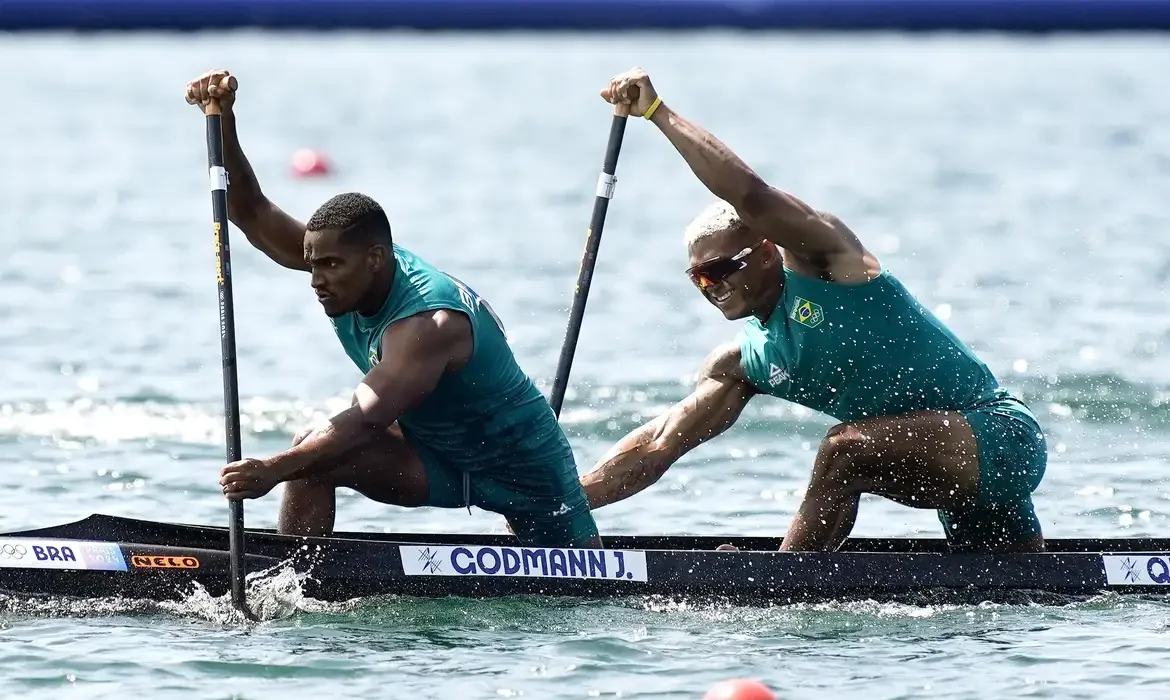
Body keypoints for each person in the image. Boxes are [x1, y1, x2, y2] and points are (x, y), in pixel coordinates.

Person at [578, 67, 1047, 553]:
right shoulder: (742, 363)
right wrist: (560, 503)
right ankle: (796, 577)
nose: (710, 286)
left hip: (999, 436)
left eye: (719, 269)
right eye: (697, 276)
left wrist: (656, 113)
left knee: (842, 450)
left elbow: (751, 195)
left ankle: (784, 587)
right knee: (1024, 590)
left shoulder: (828, 263)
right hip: (940, 464)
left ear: (766, 250)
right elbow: (657, 447)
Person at [184, 69, 601, 548]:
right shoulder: (349, 270)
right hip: (437, 458)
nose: (317, 280)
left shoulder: (428, 323)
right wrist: (223, 121)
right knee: (313, 457)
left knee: (583, 590)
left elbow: (365, 421)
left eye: (331, 266)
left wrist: (269, 470)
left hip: (528, 475)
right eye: (312, 265)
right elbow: (252, 211)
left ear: (376, 259)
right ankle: (289, 584)